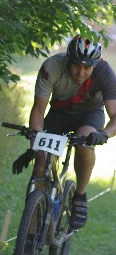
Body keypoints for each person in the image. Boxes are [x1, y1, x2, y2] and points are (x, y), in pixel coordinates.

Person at [12, 34, 116, 229]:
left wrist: (104, 134)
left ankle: (80, 197)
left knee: (85, 142)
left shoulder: (104, 73)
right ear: (68, 59)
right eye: (76, 65)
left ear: (96, 63)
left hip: (89, 114)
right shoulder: (52, 67)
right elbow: (38, 111)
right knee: (40, 165)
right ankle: (31, 234)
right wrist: (35, 146)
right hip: (59, 113)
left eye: (87, 67)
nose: (81, 72)